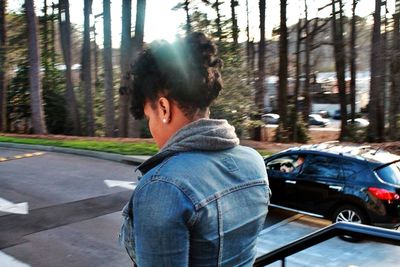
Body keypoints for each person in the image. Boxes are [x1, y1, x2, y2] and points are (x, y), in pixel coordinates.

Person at [119, 32, 270, 267]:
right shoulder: (254, 162)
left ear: (163, 108)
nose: (151, 129)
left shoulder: (162, 186)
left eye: (149, 117)